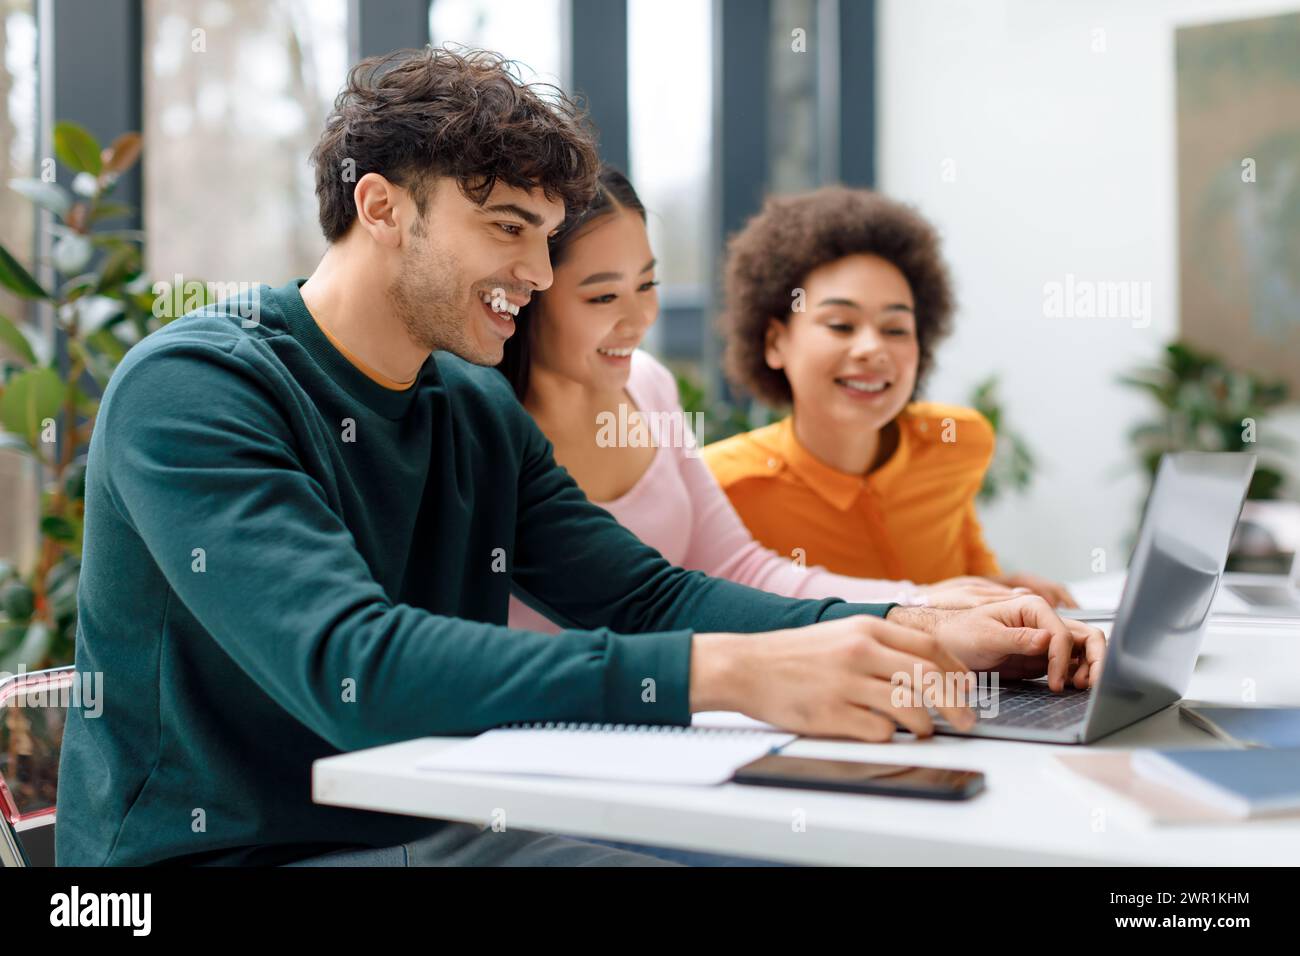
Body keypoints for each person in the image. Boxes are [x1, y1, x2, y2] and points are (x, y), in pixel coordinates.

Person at [57, 48, 1101, 868]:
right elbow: (355, 664)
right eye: (507, 227)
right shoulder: (197, 387)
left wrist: (918, 630)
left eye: (548, 237)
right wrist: (738, 673)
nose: (534, 272)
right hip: (224, 857)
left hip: (424, 819)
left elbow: (643, 596)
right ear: (380, 206)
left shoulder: (467, 403)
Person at [498, 166, 1021, 624]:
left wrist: (923, 606)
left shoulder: (650, 386)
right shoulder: (482, 422)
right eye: (603, 295)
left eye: (649, 285)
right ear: (529, 291)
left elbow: (737, 568)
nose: (639, 321)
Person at [702, 187, 1077, 607]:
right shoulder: (723, 487)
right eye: (841, 324)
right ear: (775, 342)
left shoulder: (957, 442)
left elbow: (969, 574)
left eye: (895, 329)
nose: (872, 349)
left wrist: (1004, 590)